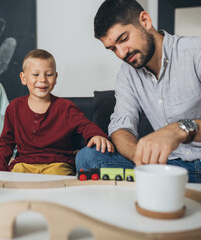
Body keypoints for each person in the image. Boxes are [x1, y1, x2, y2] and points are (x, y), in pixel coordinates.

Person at [76, 0, 201, 183]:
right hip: (169, 168)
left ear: (145, 21)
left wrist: (179, 130)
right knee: (88, 158)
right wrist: (138, 156)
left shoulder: (195, 52)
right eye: (112, 49)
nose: (121, 53)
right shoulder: (126, 75)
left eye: (123, 39)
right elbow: (121, 128)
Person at [0, 49, 114, 175]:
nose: (43, 79)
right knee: (17, 175)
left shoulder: (65, 107)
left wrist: (96, 135)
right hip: (24, 163)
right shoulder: (14, 107)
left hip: (57, 163)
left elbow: (85, 125)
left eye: (49, 74)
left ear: (55, 78)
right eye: (35, 74)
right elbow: (6, 142)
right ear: (24, 78)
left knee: (59, 176)